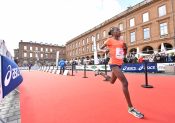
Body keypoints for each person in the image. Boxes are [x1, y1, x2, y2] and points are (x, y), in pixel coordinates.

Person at [96, 27, 144, 118]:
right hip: (113, 64)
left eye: (119, 30)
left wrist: (126, 49)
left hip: (119, 64)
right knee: (125, 83)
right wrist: (104, 50)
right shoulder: (109, 40)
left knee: (111, 81)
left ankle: (100, 73)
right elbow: (100, 49)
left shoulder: (122, 42)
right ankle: (130, 108)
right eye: (117, 30)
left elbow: (123, 54)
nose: (119, 31)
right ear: (113, 33)